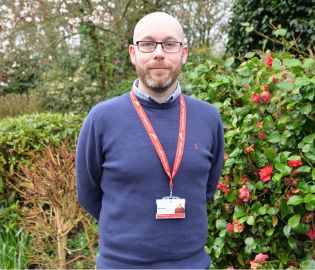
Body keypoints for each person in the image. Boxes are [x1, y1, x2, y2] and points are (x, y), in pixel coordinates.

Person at [76, 11, 224, 269]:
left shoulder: (208, 117)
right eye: (147, 44)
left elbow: (207, 189)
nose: (159, 53)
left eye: (169, 44)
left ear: (184, 53)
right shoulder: (101, 118)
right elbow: (88, 194)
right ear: (133, 53)